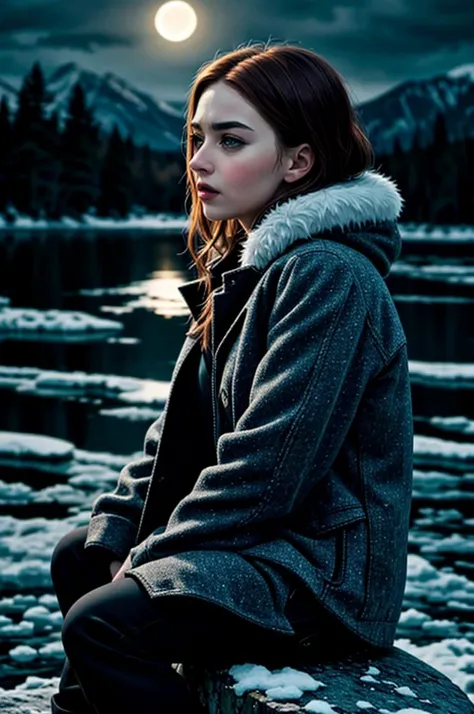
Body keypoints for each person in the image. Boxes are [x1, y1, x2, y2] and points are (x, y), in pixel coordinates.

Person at [50, 40, 413, 714]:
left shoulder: (329, 276)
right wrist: (122, 526)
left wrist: (157, 551)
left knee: (101, 622)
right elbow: (176, 437)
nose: (199, 160)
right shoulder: (248, 273)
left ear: (298, 160)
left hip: (320, 577)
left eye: (230, 140)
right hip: (264, 548)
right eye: (197, 138)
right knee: (82, 553)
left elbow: (270, 470)